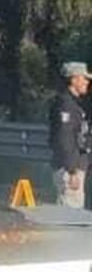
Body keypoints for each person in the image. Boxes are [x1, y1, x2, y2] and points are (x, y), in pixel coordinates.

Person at [49, 62, 92, 208]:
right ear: (73, 80)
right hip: (69, 168)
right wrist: (72, 170)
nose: (87, 82)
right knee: (70, 213)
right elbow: (64, 138)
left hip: (74, 165)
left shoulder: (75, 104)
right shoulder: (66, 105)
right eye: (84, 78)